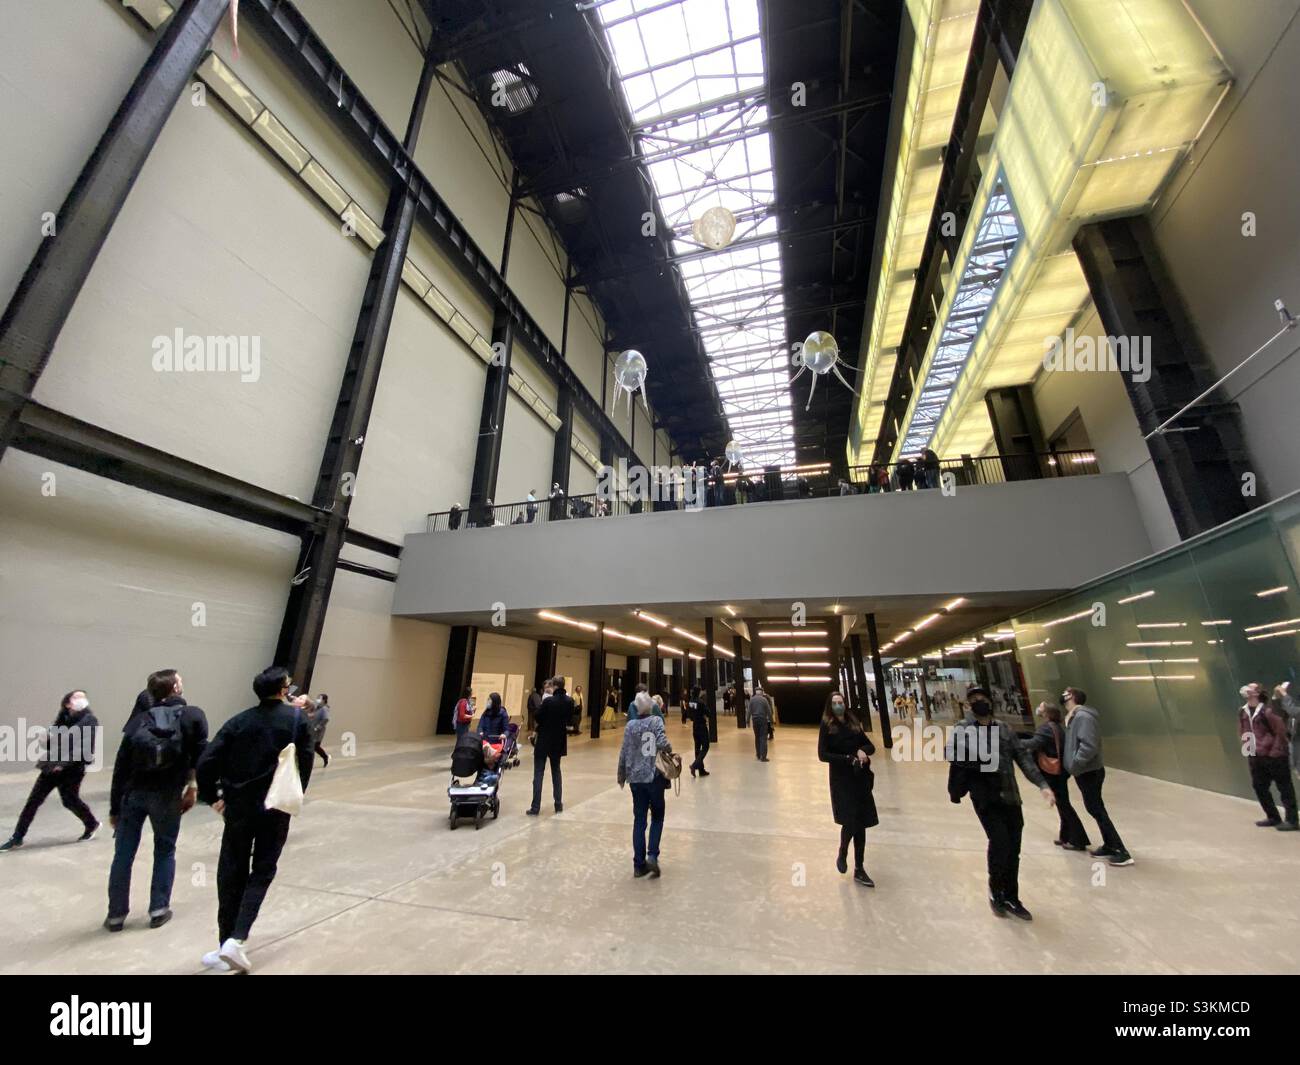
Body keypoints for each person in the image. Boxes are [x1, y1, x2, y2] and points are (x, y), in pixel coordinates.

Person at [195, 665, 314, 973]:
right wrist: (296, 792)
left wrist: (213, 797)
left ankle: (225, 945)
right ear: (282, 689)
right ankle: (237, 938)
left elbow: (206, 761)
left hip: (238, 807)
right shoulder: (296, 719)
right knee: (262, 869)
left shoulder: (239, 721)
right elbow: (307, 759)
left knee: (231, 870)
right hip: (275, 806)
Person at [103, 670, 208, 931]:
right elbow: (201, 757)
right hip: (168, 794)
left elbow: (121, 766)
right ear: (175, 687)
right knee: (165, 850)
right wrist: (193, 788)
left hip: (134, 793)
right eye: (180, 679)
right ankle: (158, 909)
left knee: (123, 855)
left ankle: (116, 915)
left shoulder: (139, 720)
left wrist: (115, 807)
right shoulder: (193, 715)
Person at [947, 685, 1054, 920]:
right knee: (1000, 842)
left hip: (1010, 795)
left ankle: (1012, 896)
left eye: (982, 698)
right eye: (974, 699)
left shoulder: (1004, 729)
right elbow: (951, 753)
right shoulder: (963, 729)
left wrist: (1043, 785)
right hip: (985, 796)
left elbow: (1023, 759)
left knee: (1013, 848)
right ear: (968, 705)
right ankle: (996, 892)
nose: (979, 702)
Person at [2, 690, 100, 851]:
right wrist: (45, 740)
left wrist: (64, 764)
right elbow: (52, 743)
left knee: (69, 800)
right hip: (51, 767)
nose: (81, 700)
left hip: (72, 769)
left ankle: (91, 824)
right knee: (33, 801)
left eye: (83, 697)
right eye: (76, 697)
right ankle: (17, 837)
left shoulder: (89, 720)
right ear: (67, 703)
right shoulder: (63, 719)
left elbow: (85, 747)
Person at [1061, 687, 1134, 866]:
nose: (1063, 695)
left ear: (1073, 697)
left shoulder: (1083, 717)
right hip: (1084, 771)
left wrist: (1075, 764)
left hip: (1089, 771)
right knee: (1094, 807)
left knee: (1096, 809)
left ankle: (1120, 851)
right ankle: (1110, 845)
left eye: (1066, 693)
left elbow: (1088, 746)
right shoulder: (1075, 717)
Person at [818, 691, 877, 886]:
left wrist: (862, 751)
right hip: (841, 780)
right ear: (830, 706)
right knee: (851, 820)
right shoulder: (827, 726)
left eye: (840, 702)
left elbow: (870, 746)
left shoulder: (853, 723)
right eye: (834, 703)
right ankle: (843, 851)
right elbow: (822, 754)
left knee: (861, 823)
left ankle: (859, 868)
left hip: (859, 778)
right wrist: (846, 759)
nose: (838, 706)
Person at [617, 691, 672, 878]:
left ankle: (638, 864)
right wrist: (670, 751)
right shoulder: (656, 721)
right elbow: (664, 743)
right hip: (653, 777)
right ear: (651, 707)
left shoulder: (630, 726)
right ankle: (652, 856)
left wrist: (621, 775)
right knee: (657, 816)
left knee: (639, 820)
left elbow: (624, 751)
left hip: (635, 778)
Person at [1024, 701, 1089, 850]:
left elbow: (1034, 743)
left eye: (1041, 706)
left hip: (1053, 772)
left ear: (1047, 712)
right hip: (1060, 771)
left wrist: (1013, 743)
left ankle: (1078, 839)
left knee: (1063, 804)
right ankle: (1066, 836)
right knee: (1062, 803)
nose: (1038, 709)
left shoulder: (1047, 728)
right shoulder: (1056, 727)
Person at [1237, 682, 1297, 831]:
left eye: (1250, 687)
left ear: (1257, 693)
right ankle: (1273, 817)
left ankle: (1292, 820)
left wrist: (1275, 752)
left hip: (1275, 756)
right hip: (1256, 756)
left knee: (1284, 788)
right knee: (1259, 786)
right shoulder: (1243, 711)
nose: (1246, 689)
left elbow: (1280, 731)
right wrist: (1249, 753)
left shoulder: (1268, 710)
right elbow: (1245, 731)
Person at [528, 677, 572, 816]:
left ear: (554, 685)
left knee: (538, 773)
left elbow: (538, 717)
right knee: (556, 772)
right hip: (558, 741)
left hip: (544, 740)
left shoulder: (548, 701)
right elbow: (569, 719)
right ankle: (558, 804)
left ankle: (535, 807)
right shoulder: (569, 701)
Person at [689, 692, 711, 778]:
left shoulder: (691, 702)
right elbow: (708, 713)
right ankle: (694, 765)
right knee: (706, 746)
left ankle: (701, 770)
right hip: (701, 726)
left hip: (695, 726)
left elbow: (689, 714)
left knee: (697, 748)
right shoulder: (701, 703)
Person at [307, 693, 331, 767]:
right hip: (312, 730)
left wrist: (318, 727)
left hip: (317, 732)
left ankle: (325, 757)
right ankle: (324, 757)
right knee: (313, 746)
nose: (317, 700)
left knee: (315, 746)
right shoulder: (318, 707)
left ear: (324, 700)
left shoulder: (324, 709)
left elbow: (326, 719)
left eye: (319, 698)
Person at [749, 686, 772, 761]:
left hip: (755, 720)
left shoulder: (752, 700)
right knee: (763, 738)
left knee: (757, 737)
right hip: (763, 720)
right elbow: (768, 711)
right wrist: (771, 720)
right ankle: (763, 756)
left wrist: (747, 721)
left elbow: (749, 711)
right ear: (761, 692)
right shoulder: (764, 700)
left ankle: (758, 754)